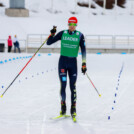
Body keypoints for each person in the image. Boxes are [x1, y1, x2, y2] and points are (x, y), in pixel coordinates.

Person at [47, 17, 87, 120]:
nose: (72, 27)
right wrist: (52, 34)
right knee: (63, 85)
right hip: (63, 63)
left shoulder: (80, 35)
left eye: (74, 25)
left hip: (73, 64)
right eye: (70, 24)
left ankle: (73, 109)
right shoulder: (62, 33)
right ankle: (63, 108)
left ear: (76, 25)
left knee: (72, 86)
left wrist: (84, 64)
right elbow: (49, 42)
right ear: (68, 24)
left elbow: (83, 50)